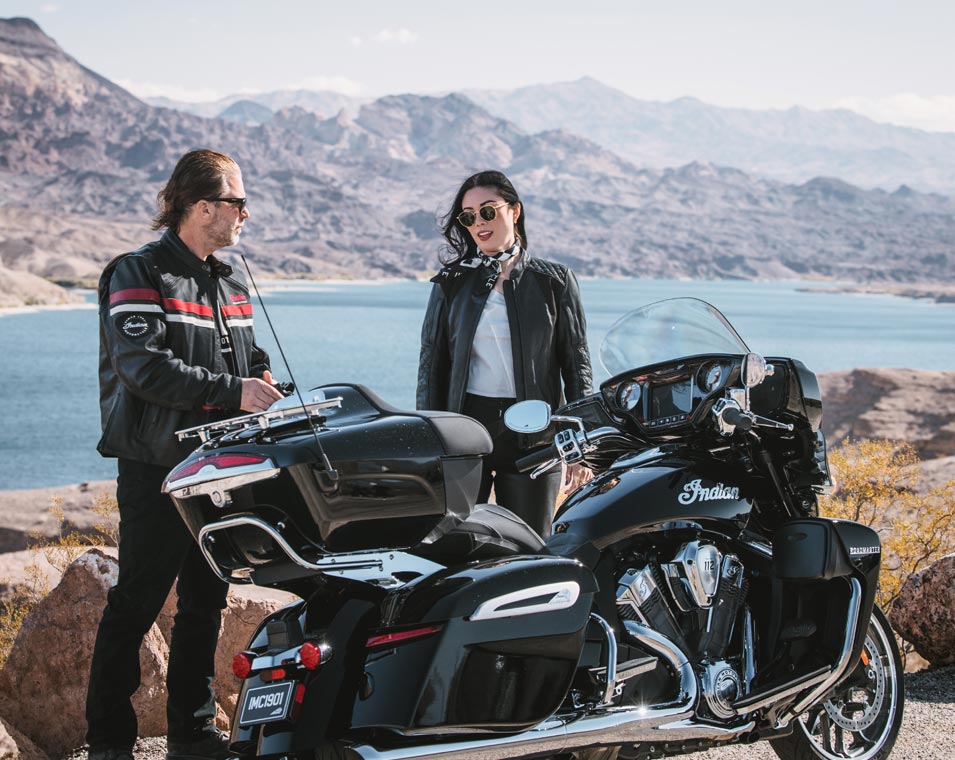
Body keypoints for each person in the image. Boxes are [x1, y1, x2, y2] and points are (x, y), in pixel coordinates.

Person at [87, 149, 284, 760]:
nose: (245, 213)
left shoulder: (232, 281)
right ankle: (109, 741)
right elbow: (144, 368)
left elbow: (248, 362)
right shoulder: (138, 272)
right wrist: (233, 391)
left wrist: (262, 381)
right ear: (202, 207)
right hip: (158, 467)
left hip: (222, 468)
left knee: (206, 600)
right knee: (137, 600)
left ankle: (192, 734)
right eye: (237, 202)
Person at [417, 170, 593, 538]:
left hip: (536, 434)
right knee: (457, 542)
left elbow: (577, 365)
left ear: (514, 211)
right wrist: (429, 440)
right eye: (468, 217)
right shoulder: (451, 283)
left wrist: (583, 443)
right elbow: (431, 366)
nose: (478, 224)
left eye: (487, 211)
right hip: (466, 431)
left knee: (531, 544)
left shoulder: (554, 281)